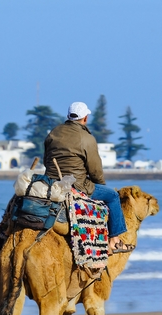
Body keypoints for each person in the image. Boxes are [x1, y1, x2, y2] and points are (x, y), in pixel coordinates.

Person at [43, 101, 134, 254]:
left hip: (52, 183)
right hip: (77, 185)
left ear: (68, 116)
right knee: (112, 196)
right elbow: (95, 170)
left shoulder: (53, 132)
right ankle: (114, 240)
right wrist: (101, 185)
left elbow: (47, 159)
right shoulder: (86, 138)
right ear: (85, 118)